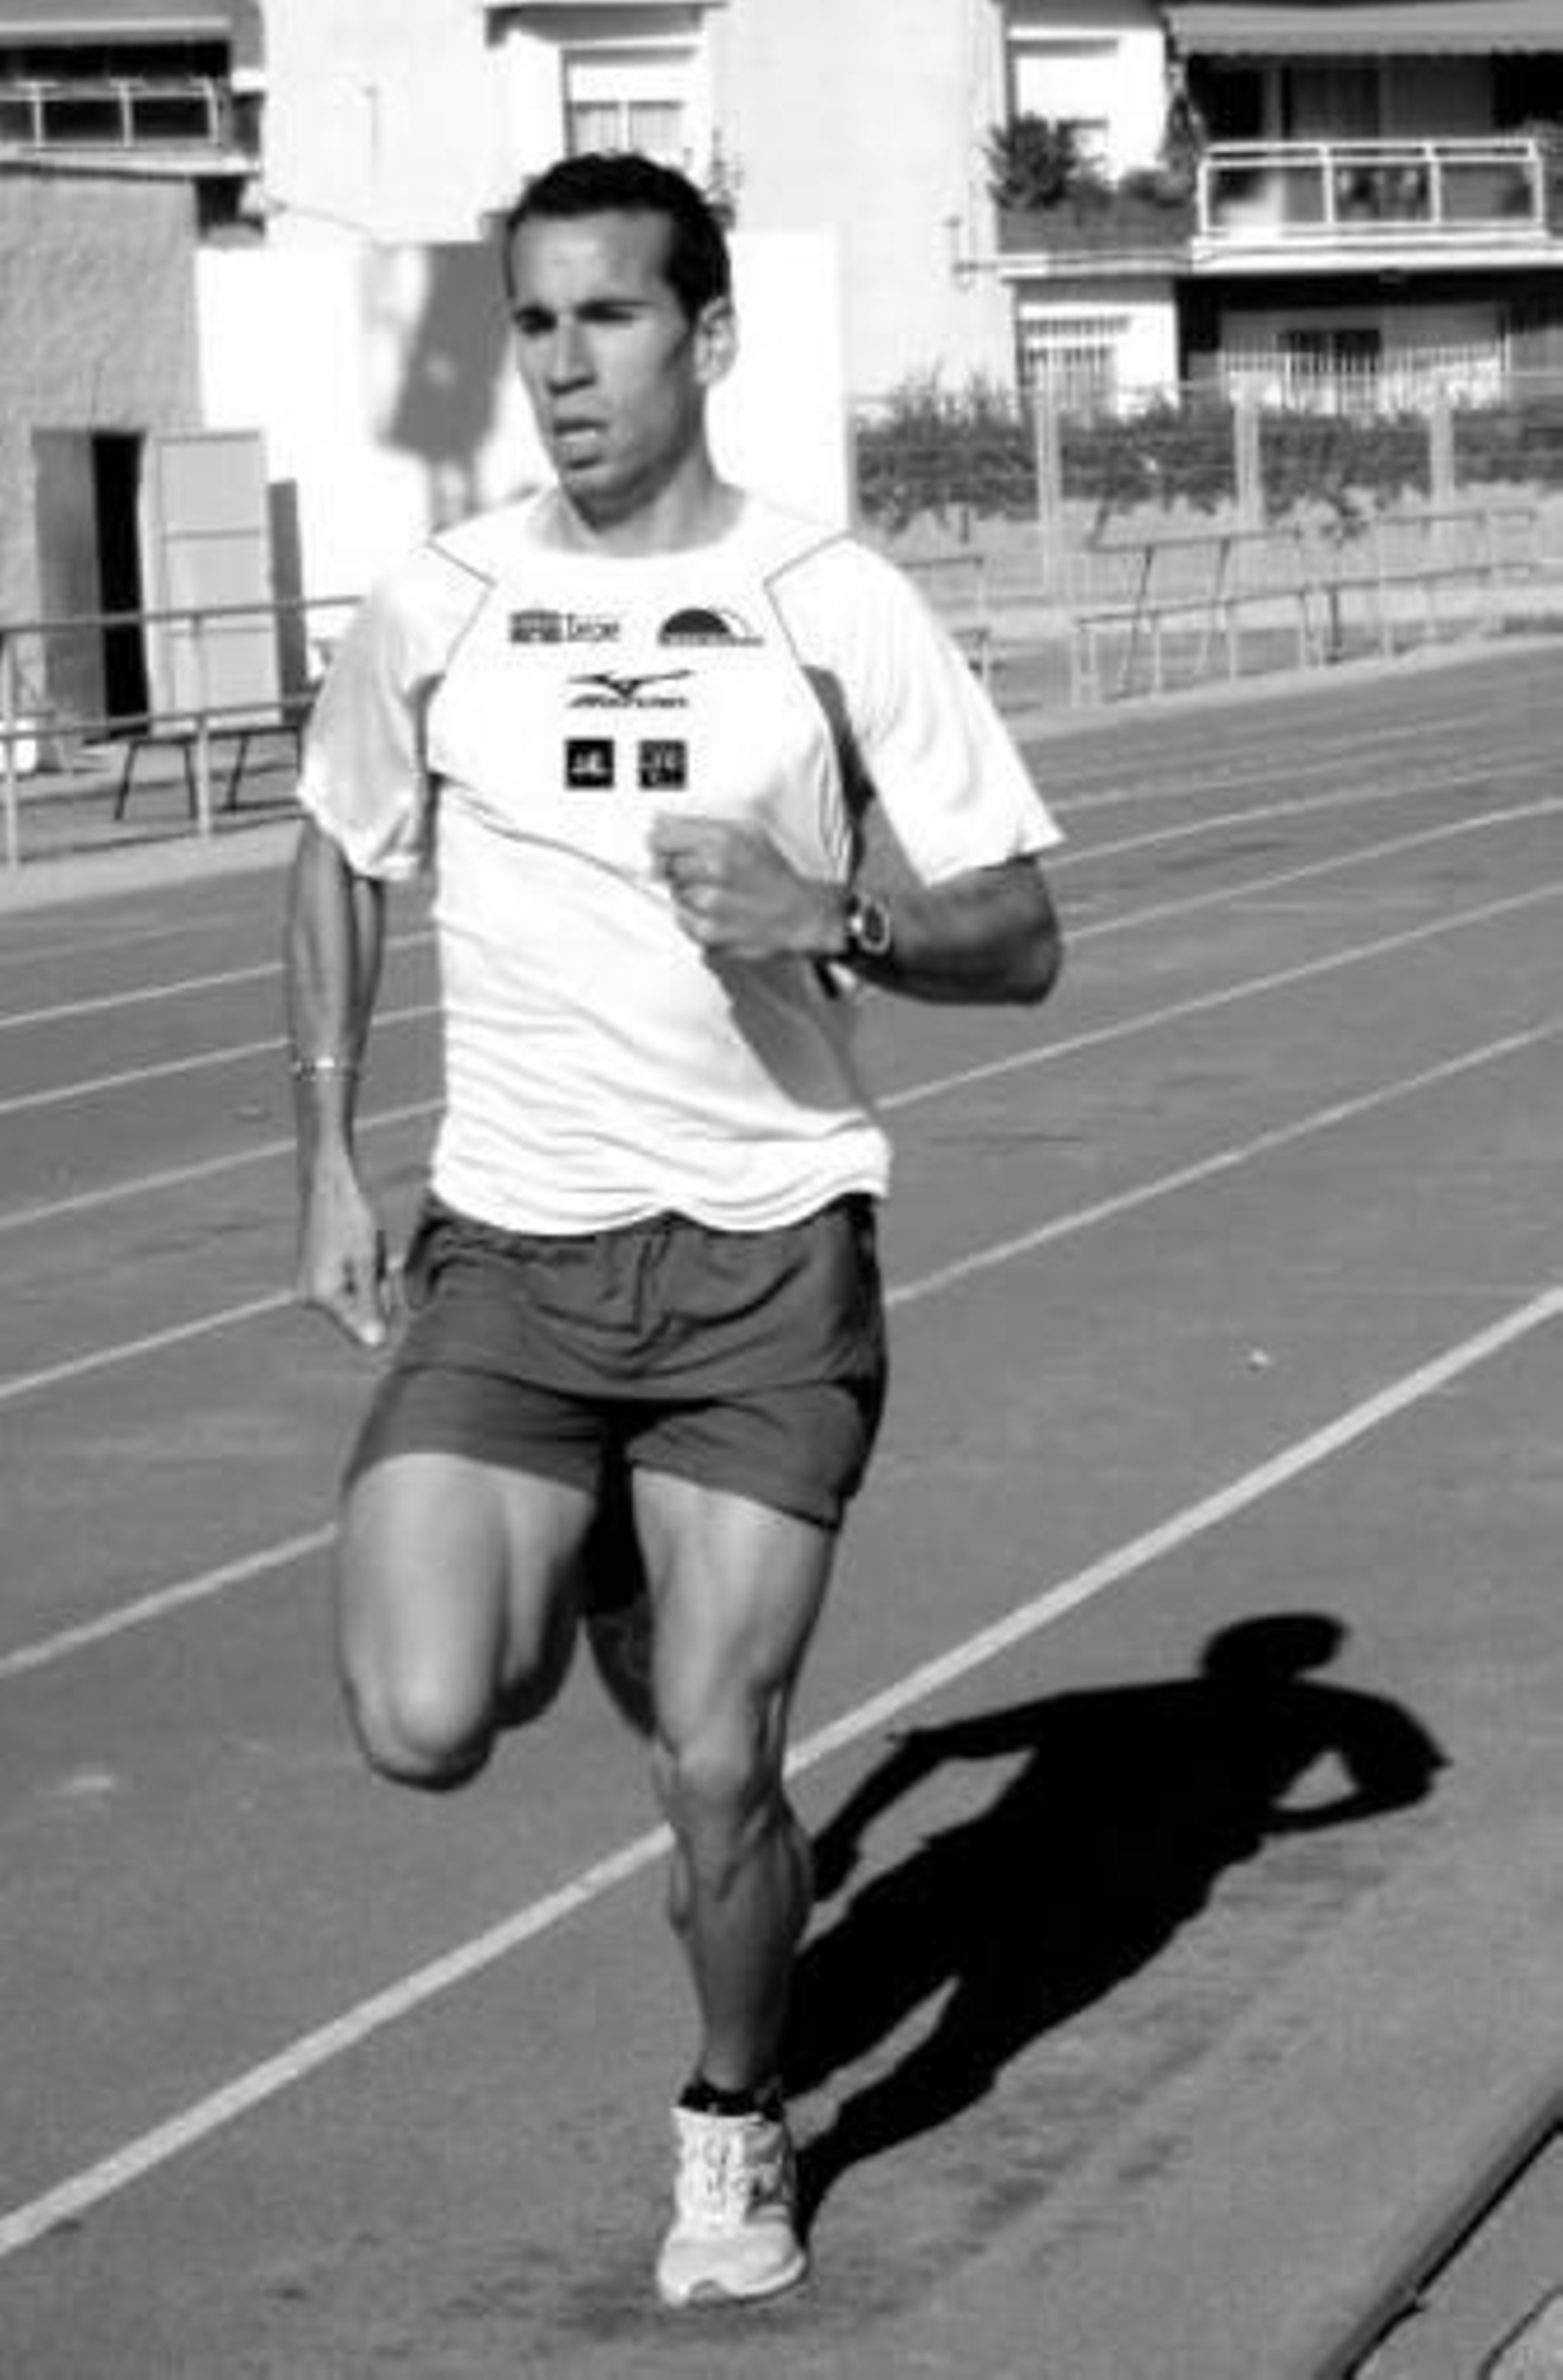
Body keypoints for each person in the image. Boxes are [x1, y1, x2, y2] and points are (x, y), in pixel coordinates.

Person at [283, 149, 1064, 2309]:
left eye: (606, 318)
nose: (562, 366)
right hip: (511, 1253)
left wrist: (843, 919)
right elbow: (345, 852)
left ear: (704, 337)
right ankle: (592, 1556)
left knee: (717, 1768)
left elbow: (1021, 932)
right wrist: (323, 1149)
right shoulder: (434, 601)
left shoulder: (832, 602)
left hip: (757, 1259)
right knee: (426, 1718)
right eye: (532, 324)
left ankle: (733, 2118)